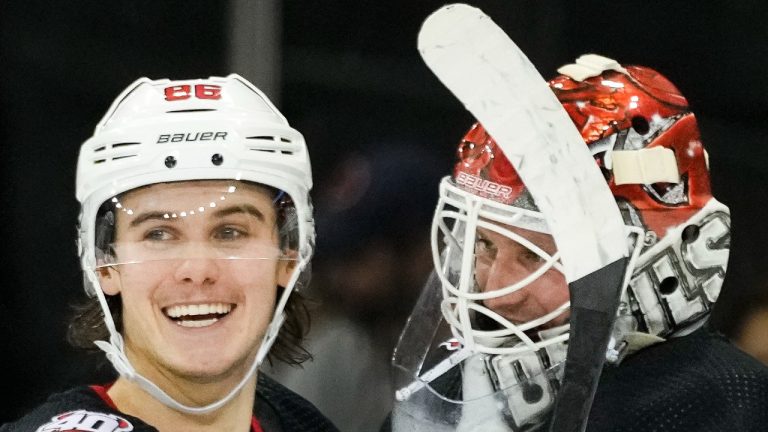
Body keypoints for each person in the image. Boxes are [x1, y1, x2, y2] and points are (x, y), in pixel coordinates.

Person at [387, 55, 768, 431]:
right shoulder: (457, 384)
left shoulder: (718, 404)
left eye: (534, 256)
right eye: (485, 245)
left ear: (654, 253)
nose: (496, 295)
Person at [1, 74, 339, 431]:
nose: (197, 268)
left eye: (230, 232)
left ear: (288, 257)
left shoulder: (295, 420)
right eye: (159, 234)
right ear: (104, 264)